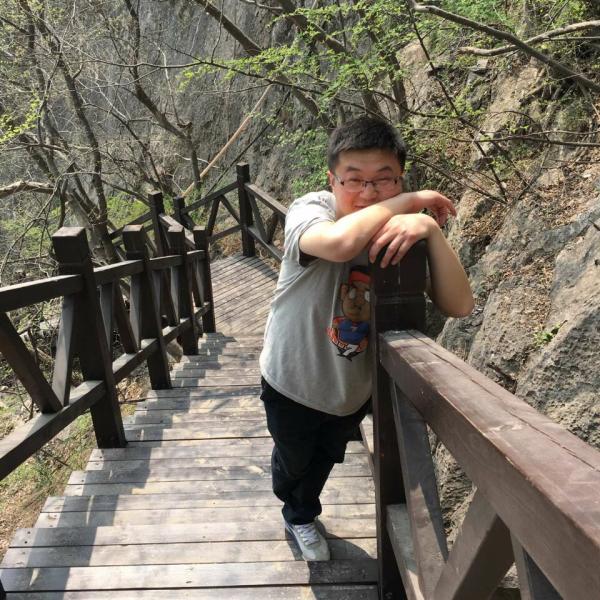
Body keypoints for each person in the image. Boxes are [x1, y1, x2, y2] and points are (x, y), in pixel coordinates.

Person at [259, 116, 474, 561]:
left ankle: (301, 507)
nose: (369, 192)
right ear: (332, 180)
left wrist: (430, 230)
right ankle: (296, 509)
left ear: (400, 177)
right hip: (292, 380)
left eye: (383, 179)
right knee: (294, 459)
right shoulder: (312, 210)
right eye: (354, 179)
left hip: (351, 389)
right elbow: (338, 245)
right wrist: (410, 202)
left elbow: (459, 304)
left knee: (325, 457)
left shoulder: (401, 233)